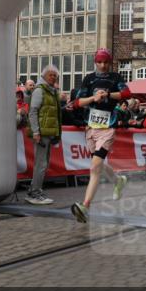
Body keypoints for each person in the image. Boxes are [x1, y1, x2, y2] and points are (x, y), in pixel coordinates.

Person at [68, 48, 130, 223]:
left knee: (95, 166)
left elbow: (126, 93)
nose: (102, 65)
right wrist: (93, 98)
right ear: (95, 62)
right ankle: (118, 181)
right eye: (99, 62)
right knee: (99, 164)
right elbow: (78, 102)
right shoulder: (89, 79)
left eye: (105, 62)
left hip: (108, 129)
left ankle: (85, 206)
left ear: (109, 62)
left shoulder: (115, 78)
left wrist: (108, 95)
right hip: (91, 129)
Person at [26, 64, 61, 205]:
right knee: (41, 164)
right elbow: (33, 111)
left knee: (43, 164)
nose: (53, 77)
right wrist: (36, 131)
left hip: (47, 133)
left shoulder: (50, 91)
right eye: (50, 75)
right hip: (41, 133)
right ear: (44, 76)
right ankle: (35, 193)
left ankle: (34, 191)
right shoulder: (40, 90)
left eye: (55, 75)